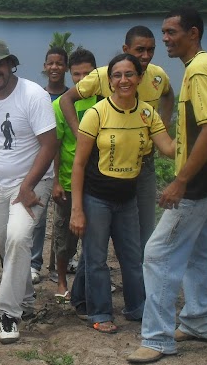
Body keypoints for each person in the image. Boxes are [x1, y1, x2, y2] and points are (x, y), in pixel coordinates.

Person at [128, 7, 207, 364]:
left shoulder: (201, 69)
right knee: (202, 251)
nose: (165, 40)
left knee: (158, 254)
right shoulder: (206, 66)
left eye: (172, 33)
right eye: (164, 32)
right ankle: (199, 321)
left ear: (193, 33)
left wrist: (181, 181)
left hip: (198, 183)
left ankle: (157, 339)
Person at [70, 54, 174, 333]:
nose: (124, 80)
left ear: (139, 78)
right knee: (96, 259)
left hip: (127, 199)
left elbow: (168, 148)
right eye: (117, 75)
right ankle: (100, 311)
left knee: (132, 257)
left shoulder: (147, 114)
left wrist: (202, 134)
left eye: (130, 74)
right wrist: (77, 209)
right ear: (109, 80)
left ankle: (137, 308)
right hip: (96, 198)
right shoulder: (97, 113)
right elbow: (78, 164)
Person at [60, 26, 174, 254]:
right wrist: (82, 135)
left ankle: (139, 280)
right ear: (126, 49)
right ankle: (91, 282)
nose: (146, 55)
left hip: (143, 163)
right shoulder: (105, 75)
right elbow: (66, 100)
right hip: (106, 165)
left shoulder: (157, 76)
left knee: (144, 229)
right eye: (140, 49)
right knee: (96, 236)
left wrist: (164, 122)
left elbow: (168, 94)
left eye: (151, 49)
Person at [0, 40, 58, 344]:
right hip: (0, 185)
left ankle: (9, 313)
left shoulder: (33, 95)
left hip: (34, 183)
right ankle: (25, 298)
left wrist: (27, 186)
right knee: (3, 242)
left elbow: (50, 144)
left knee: (18, 238)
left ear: (10, 64)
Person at [51, 48, 97, 304]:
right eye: (77, 74)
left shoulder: (103, 100)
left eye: (88, 74)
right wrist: (56, 180)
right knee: (63, 236)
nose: (82, 79)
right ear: (70, 74)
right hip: (68, 180)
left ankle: (88, 281)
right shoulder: (61, 104)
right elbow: (56, 145)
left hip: (96, 181)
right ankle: (61, 281)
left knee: (94, 236)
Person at [30, 46, 71, 285]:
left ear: (65, 66)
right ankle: (35, 263)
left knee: (63, 220)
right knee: (38, 218)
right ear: (45, 66)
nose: (54, 67)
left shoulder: (72, 96)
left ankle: (59, 264)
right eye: (50, 63)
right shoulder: (39, 96)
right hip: (42, 167)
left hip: (66, 167)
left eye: (59, 63)